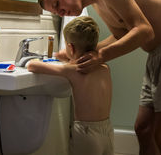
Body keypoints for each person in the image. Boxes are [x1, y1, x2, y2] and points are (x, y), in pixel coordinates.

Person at [38, 0, 161, 155]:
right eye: (57, 12)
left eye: (57, 3)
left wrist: (100, 56)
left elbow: (144, 30)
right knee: (144, 129)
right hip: (157, 54)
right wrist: (79, 54)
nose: (61, 12)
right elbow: (121, 35)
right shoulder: (98, 2)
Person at [27, 16, 113, 155]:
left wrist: (40, 57)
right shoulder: (104, 68)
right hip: (107, 130)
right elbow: (68, 57)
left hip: (86, 132)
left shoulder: (73, 70)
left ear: (70, 47)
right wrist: (68, 55)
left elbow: (32, 66)